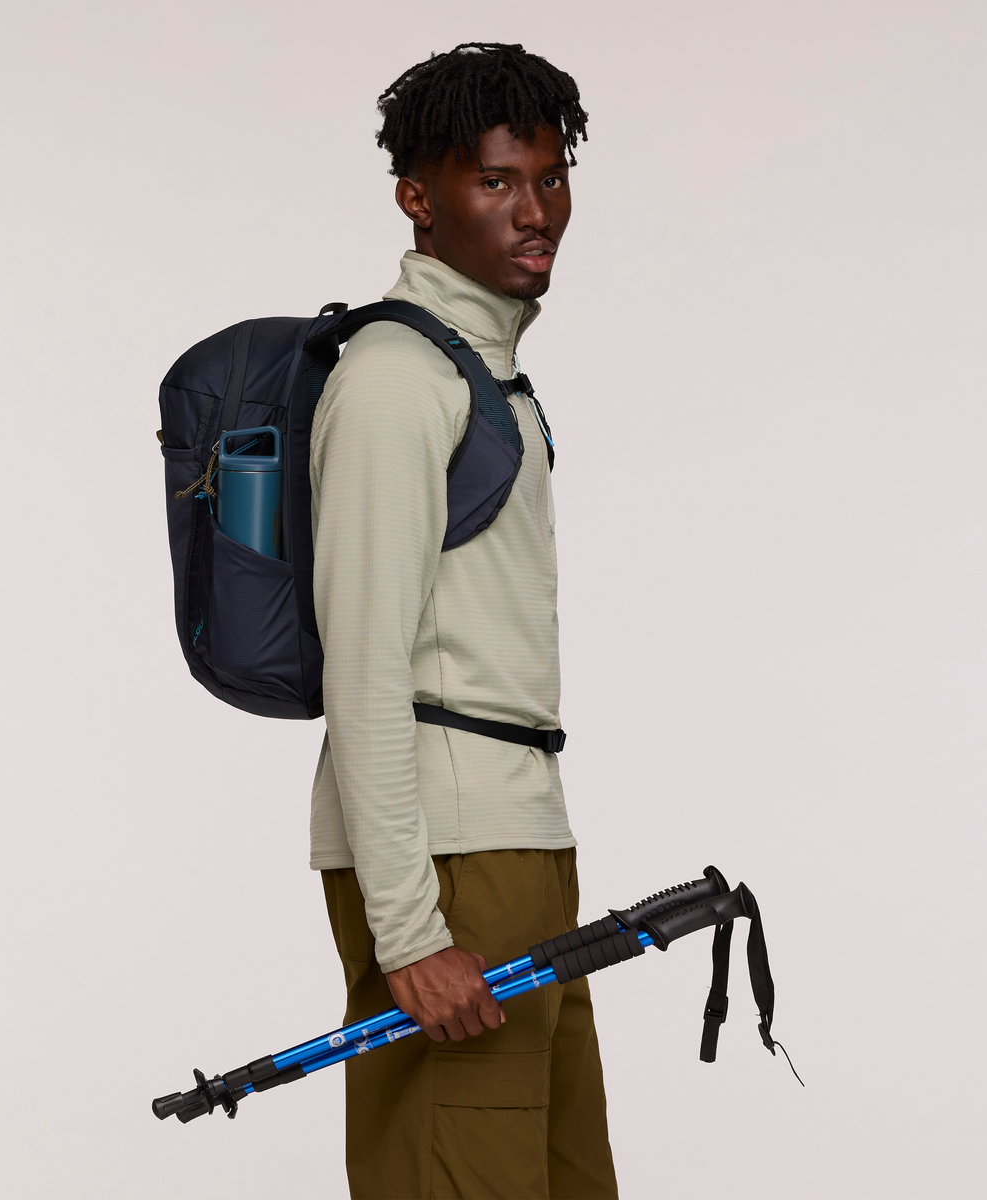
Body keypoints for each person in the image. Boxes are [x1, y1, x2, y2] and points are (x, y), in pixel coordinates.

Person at [310, 43, 616, 1200]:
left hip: (515, 844)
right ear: (419, 198)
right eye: (496, 181)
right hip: (446, 864)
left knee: (563, 1178)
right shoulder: (399, 378)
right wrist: (408, 933)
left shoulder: (484, 374)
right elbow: (364, 666)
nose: (536, 212)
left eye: (549, 177)